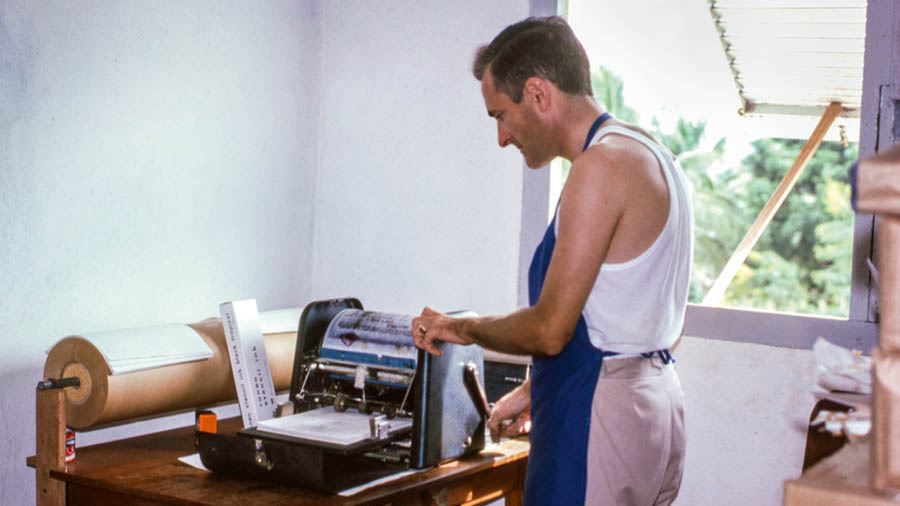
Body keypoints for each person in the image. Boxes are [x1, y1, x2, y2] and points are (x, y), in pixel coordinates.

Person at [412, 16, 692, 506]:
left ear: (539, 94)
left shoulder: (598, 168)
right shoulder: (651, 154)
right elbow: (620, 314)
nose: (502, 137)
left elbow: (549, 330)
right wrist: (530, 390)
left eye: (501, 114)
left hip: (601, 416)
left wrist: (464, 329)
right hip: (653, 407)